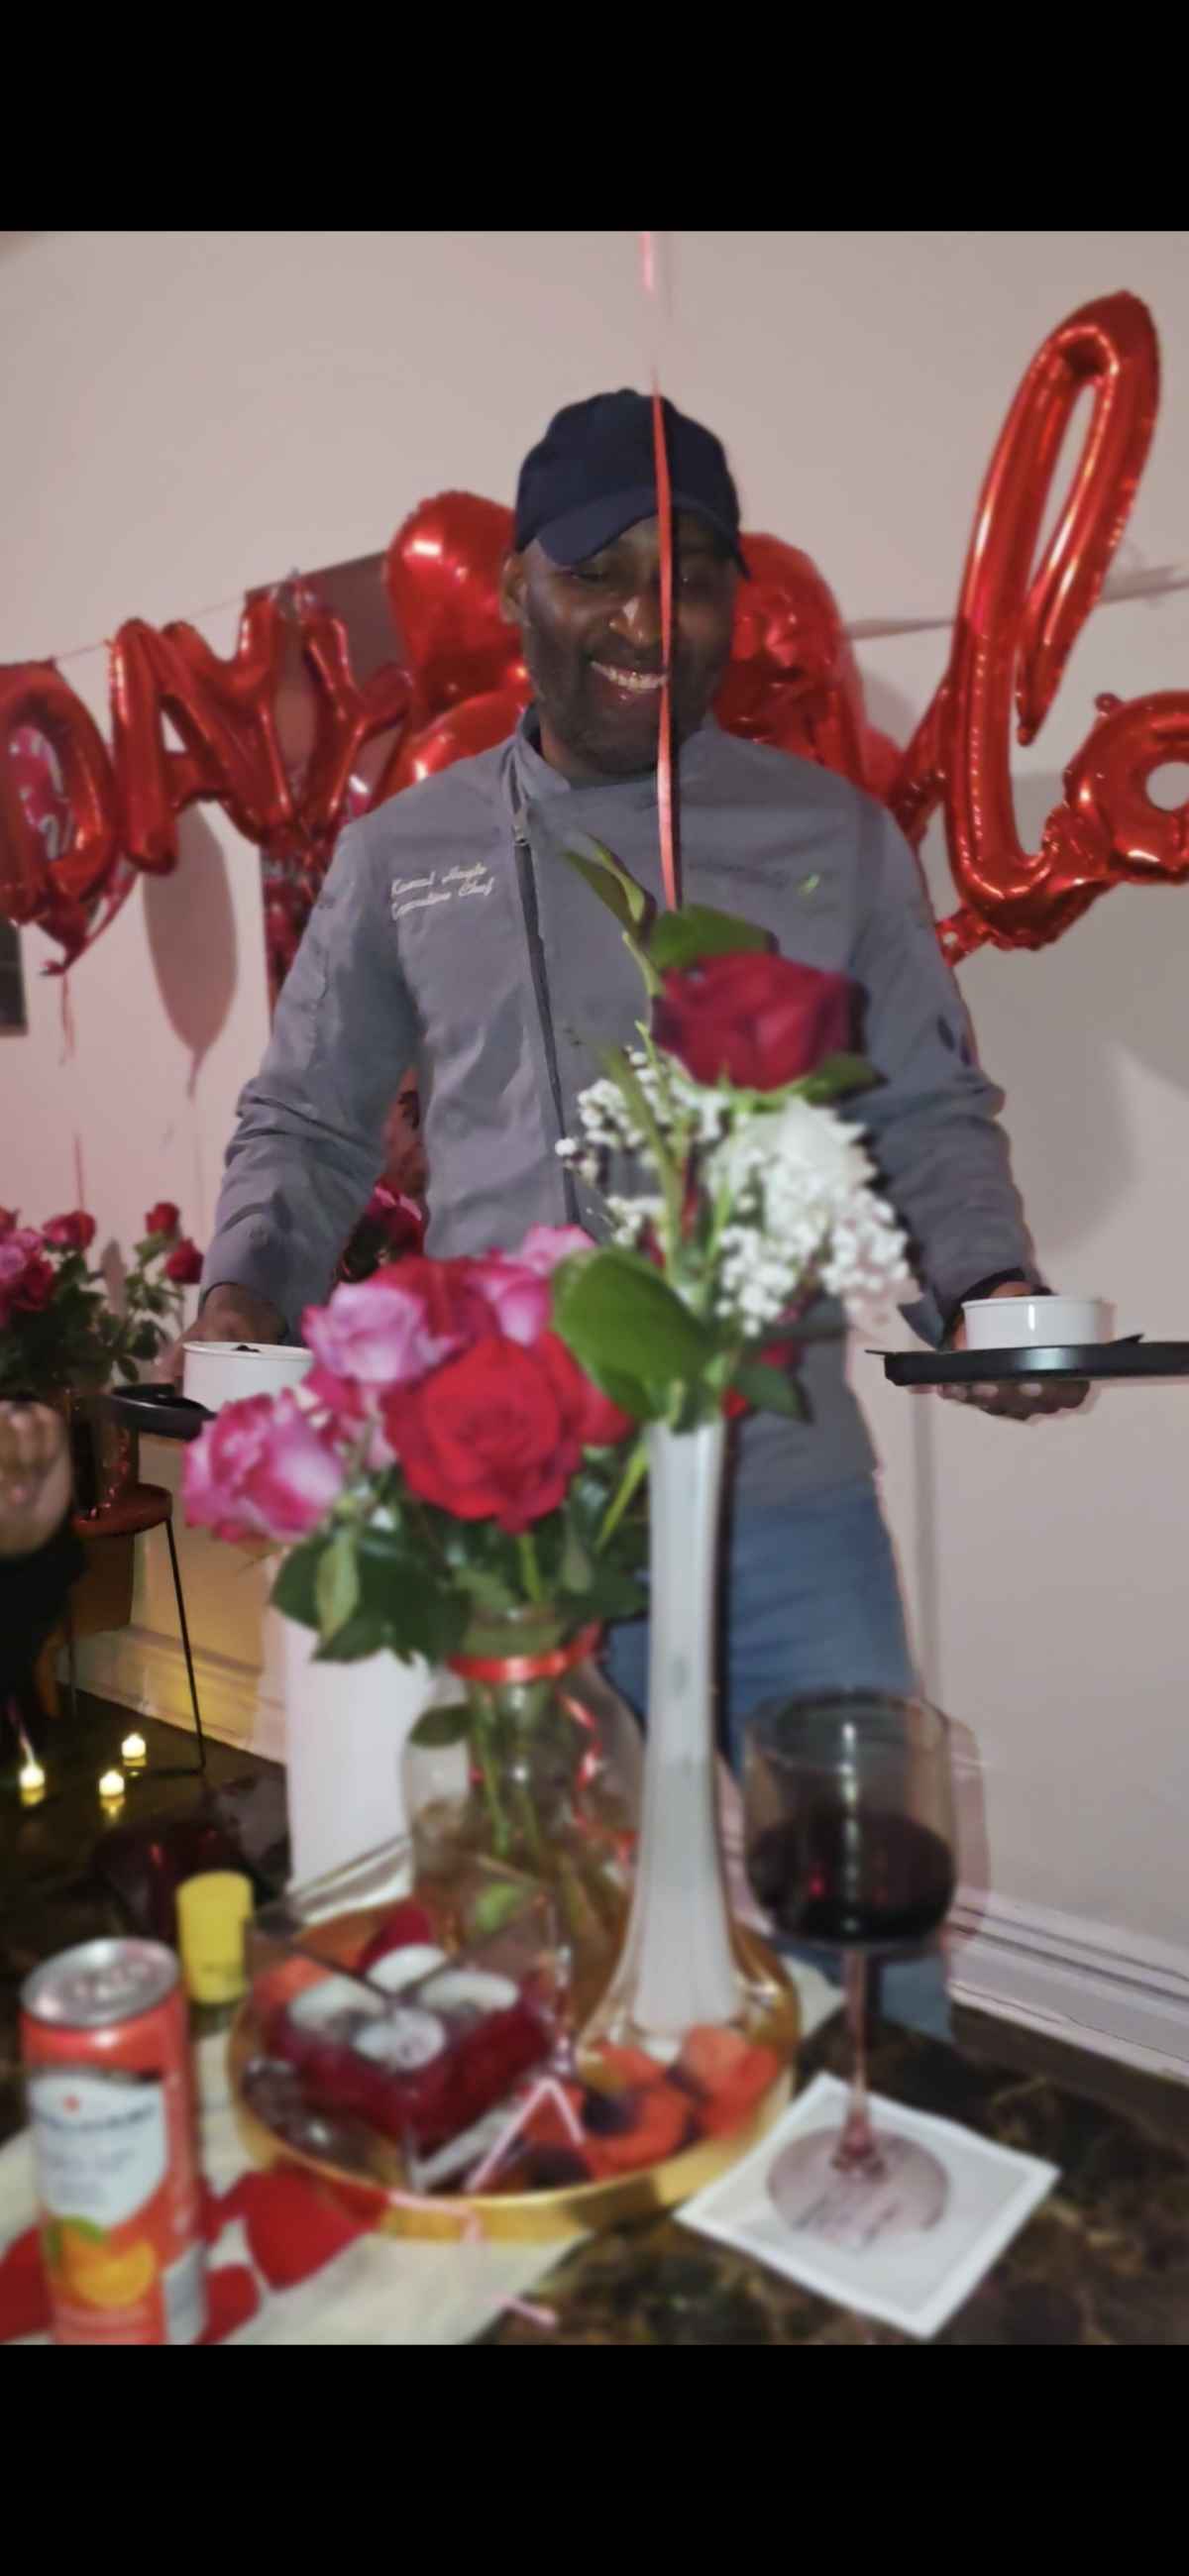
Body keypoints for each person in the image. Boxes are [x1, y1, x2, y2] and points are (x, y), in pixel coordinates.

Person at [188, 390, 1085, 2032]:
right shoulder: (405, 852)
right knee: (548, 1948)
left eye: (691, 576)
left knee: (864, 1932)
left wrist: (992, 1293)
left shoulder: (832, 834)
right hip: (525, 1513)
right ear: (516, 588)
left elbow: (924, 1108)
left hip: (788, 1486)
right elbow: (308, 1117)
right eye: (597, 570)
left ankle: (866, 2169)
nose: (644, 618)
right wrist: (244, 1299)